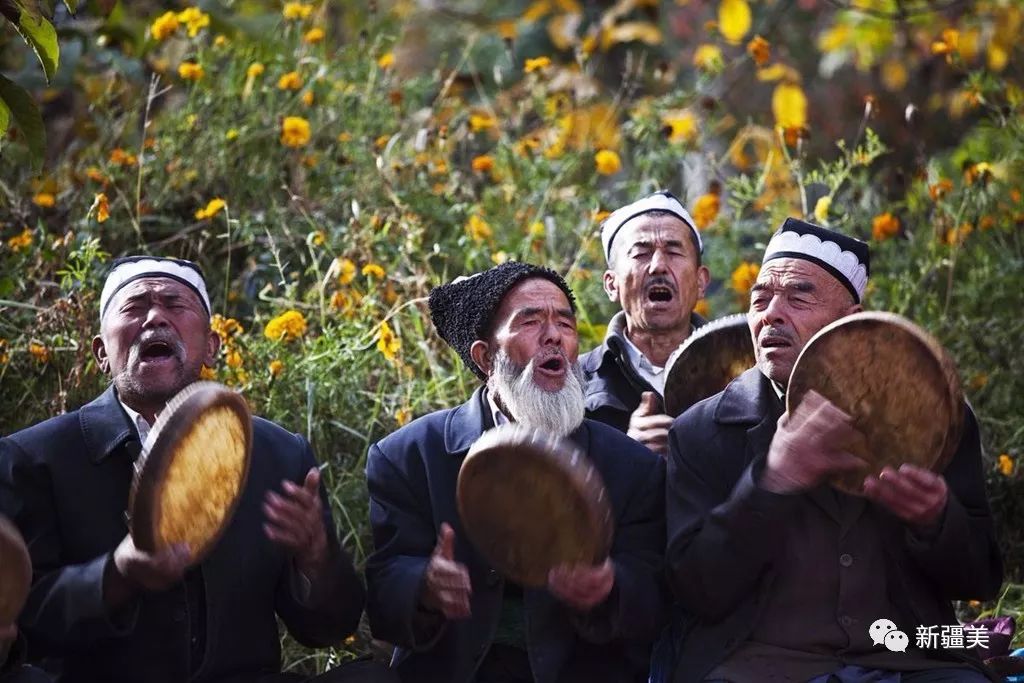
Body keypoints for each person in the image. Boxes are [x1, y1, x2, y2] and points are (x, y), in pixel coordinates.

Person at [0, 256, 392, 683]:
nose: (155, 317)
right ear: (101, 353)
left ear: (211, 345)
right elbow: (22, 625)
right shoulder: (34, 457)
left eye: (174, 303)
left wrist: (317, 558)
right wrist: (116, 575)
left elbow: (330, 628)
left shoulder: (278, 453)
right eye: (134, 307)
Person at [665, 219, 1003, 682]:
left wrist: (936, 520)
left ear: (851, 316)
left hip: (906, 660)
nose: (771, 314)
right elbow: (696, 590)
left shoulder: (934, 418)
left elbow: (980, 579)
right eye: (760, 299)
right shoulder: (702, 430)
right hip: (758, 666)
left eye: (798, 296)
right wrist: (772, 482)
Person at [364, 261, 665, 683]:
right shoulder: (410, 456)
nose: (554, 336)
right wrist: (424, 586)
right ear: (486, 357)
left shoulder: (631, 467)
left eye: (565, 322)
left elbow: (652, 597)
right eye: (530, 322)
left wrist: (609, 587)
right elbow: (383, 592)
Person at [581, 191, 710, 455]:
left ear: (700, 282)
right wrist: (627, 456)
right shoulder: (572, 384)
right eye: (641, 254)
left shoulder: (741, 377)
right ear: (611, 284)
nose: (658, 266)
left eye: (674, 252)